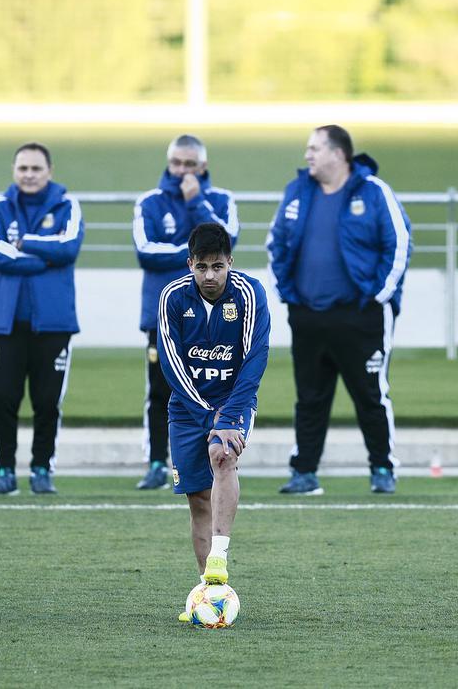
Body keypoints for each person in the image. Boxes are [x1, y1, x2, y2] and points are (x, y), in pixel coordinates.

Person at [266, 124, 411, 495]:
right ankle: (304, 472)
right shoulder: (297, 191)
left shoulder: (374, 192)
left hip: (361, 316)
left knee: (370, 395)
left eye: (315, 148)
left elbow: (398, 243)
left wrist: (379, 295)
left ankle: (382, 468)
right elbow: (276, 242)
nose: (308, 155)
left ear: (338, 154)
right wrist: (289, 293)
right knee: (310, 397)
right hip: (308, 315)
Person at [157, 223, 269, 620]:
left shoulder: (251, 293)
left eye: (217, 266)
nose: (209, 275)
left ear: (230, 263)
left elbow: (254, 361)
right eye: (201, 266)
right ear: (190, 264)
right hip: (187, 407)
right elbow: (170, 363)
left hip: (233, 401)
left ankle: (218, 560)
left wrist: (227, 417)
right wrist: (207, 416)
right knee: (197, 499)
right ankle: (209, 593)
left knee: (223, 455)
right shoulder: (172, 296)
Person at [133, 134, 239, 490]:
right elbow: (145, 251)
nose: (182, 170)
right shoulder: (149, 202)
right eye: (176, 163)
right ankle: (156, 463)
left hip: (216, 317)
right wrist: (195, 256)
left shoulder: (222, 200)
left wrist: (195, 203)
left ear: (203, 166)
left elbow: (226, 243)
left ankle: (217, 457)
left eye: (190, 164)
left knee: (217, 389)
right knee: (162, 391)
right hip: (163, 317)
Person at [0, 142, 84, 495]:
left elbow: (69, 247)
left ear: (49, 171)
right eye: (23, 168)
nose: (29, 175)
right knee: (4, 398)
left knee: (46, 402)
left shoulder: (68, 204)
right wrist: (44, 255)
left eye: (36, 168)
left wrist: (24, 243)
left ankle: (42, 469)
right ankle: (4, 471)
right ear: (14, 171)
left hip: (54, 323)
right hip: (5, 323)